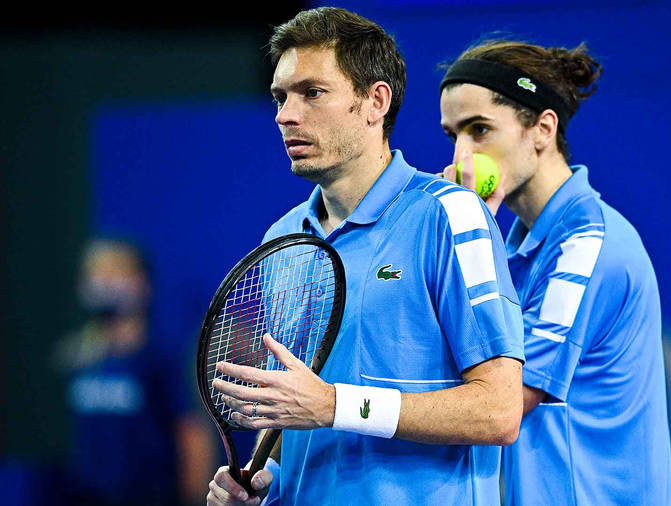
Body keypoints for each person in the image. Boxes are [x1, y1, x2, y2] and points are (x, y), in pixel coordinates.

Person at [206, 7, 525, 506]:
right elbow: (300, 422)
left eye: (312, 93)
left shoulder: (450, 216)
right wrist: (267, 478)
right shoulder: (282, 237)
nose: (285, 114)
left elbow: (499, 410)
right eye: (280, 97)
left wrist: (336, 404)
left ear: (375, 101)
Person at [439, 40, 671, 504]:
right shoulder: (515, 251)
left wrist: (341, 408)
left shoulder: (587, 245)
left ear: (542, 129)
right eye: (453, 136)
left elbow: (500, 402)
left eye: (480, 129)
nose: (462, 155)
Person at [55, 238, 213, 505]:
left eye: (114, 272)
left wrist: (195, 499)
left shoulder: (161, 359)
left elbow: (192, 435)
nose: (103, 282)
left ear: (142, 284)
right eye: (95, 273)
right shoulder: (75, 360)